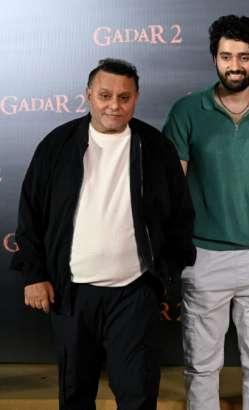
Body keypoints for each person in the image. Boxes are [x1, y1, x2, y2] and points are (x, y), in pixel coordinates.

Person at [12, 58, 195, 409]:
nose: (114, 105)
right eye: (105, 95)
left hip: (135, 293)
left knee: (138, 395)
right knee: (76, 395)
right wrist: (34, 275)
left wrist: (164, 277)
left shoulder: (156, 148)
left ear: (136, 98)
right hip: (71, 293)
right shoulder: (57, 145)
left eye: (124, 97)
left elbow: (180, 218)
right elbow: (30, 214)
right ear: (88, 95)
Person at [162, 15, 249, 410]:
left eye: (244, 57)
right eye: (226, 56)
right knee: (201, 364)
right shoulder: (188, 111)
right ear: (214, 58)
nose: (234, 65)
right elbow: (171, 187)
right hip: (203, 255)